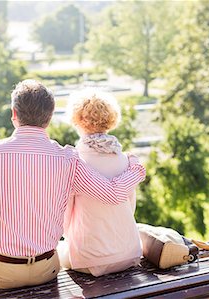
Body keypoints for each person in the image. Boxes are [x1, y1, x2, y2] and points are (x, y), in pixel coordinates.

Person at [0, 80, 146, 292]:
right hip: (47, 269)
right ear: (49, 118)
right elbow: (112, 194)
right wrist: (137, 169)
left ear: (14, 113)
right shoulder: (68, 158)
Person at [58, 90, 142, 277]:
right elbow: (130, 207)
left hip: (90, 260)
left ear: (77, 120)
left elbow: (65, 219)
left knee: (56, 252)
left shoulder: (75, 162)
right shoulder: (127, 160)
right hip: (129, 253)